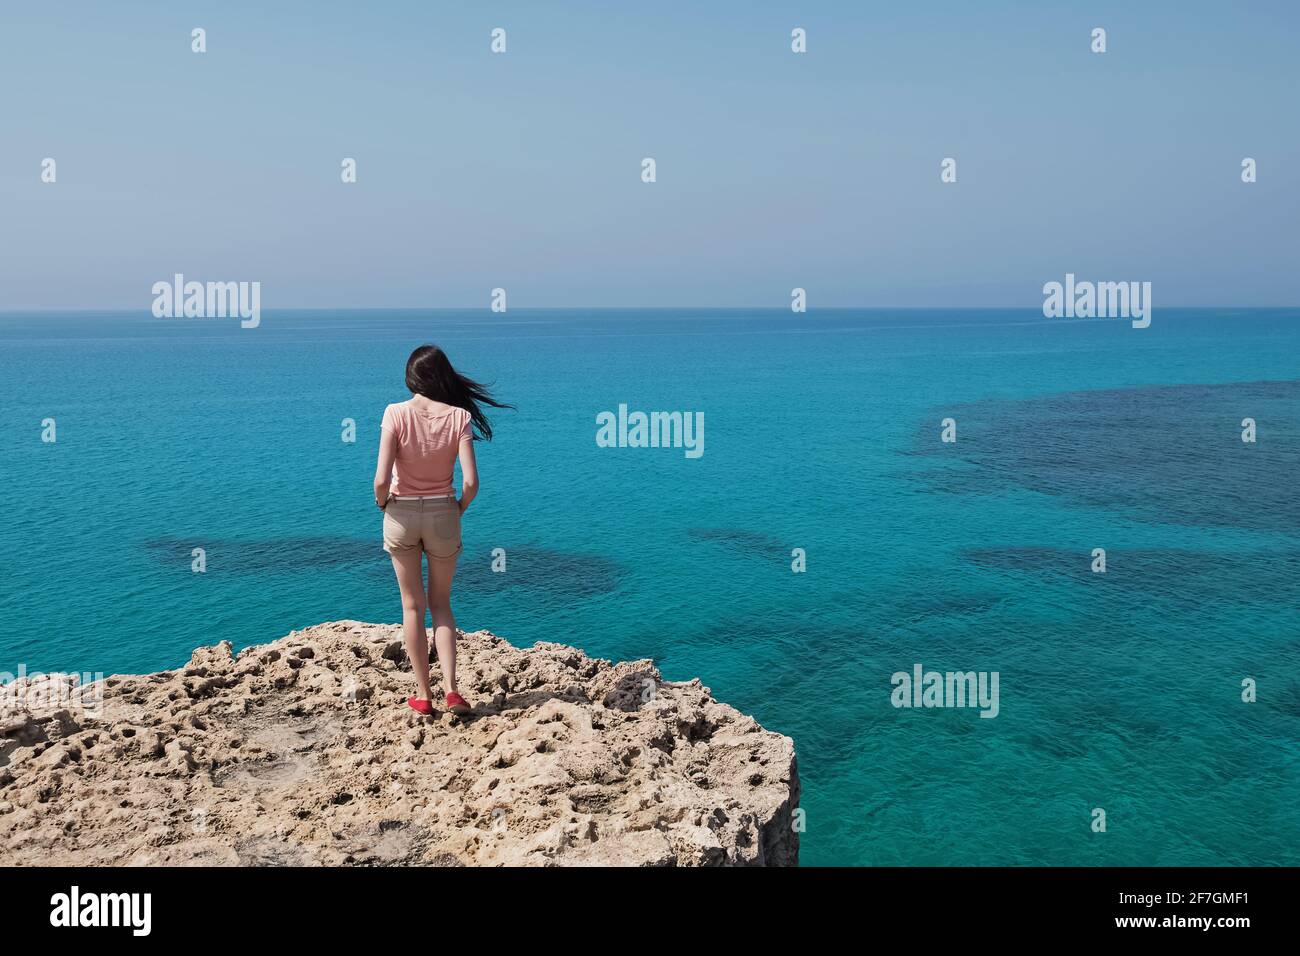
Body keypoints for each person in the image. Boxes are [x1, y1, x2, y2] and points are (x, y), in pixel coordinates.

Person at [373, 345, 509, 715]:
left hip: (400, 514)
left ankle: (423, 695)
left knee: (412, 606)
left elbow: (381, 479)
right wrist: (457, 510)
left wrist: (385, 504)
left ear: (412, 377)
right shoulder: (458, 417)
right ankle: (452, 690)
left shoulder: (395, 413)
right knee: (442, 606)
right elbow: (472, 482)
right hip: (444, 516)